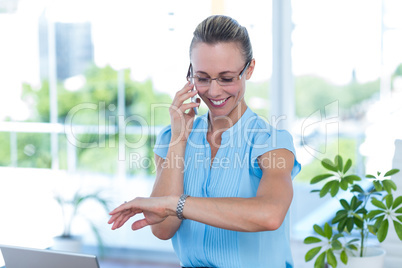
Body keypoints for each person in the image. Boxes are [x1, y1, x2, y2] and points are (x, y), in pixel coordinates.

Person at [108, 15, 301, 268]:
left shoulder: (270, 142)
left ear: (249, 70)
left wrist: (175, 205)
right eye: (201, 77)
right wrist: (179, 139)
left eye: (227, 78)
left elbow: (270, 214)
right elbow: (163, 229)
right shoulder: (172, 138)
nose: (213, 91)